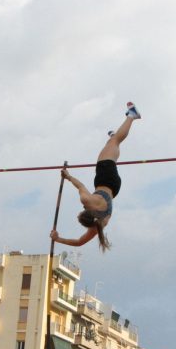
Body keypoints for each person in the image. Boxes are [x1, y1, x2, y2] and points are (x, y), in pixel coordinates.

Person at [50, 102, 141, 252]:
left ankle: (112, 138)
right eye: (82, 210)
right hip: (105, 176)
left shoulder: (99, 223)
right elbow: (80, 186)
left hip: (115, 189)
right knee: (115, 142)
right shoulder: (87, 200)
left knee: (111, 144)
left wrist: (58, 239)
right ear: (86, 210)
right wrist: (68, 176)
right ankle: (132, 115)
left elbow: (79, 242)